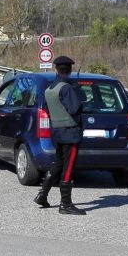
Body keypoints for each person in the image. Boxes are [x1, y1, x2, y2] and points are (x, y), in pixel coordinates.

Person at [34, 55, 87, 215]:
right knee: (68, 167)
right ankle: (65, 204)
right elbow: (75, 109)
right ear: (69, 70)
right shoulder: (67, 88)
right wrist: (78, 94)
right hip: (70, 132)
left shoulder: (49, 89)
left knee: (58, 164)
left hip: (57, 131)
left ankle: (42, 194)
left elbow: (48, 110)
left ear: (56, 69)